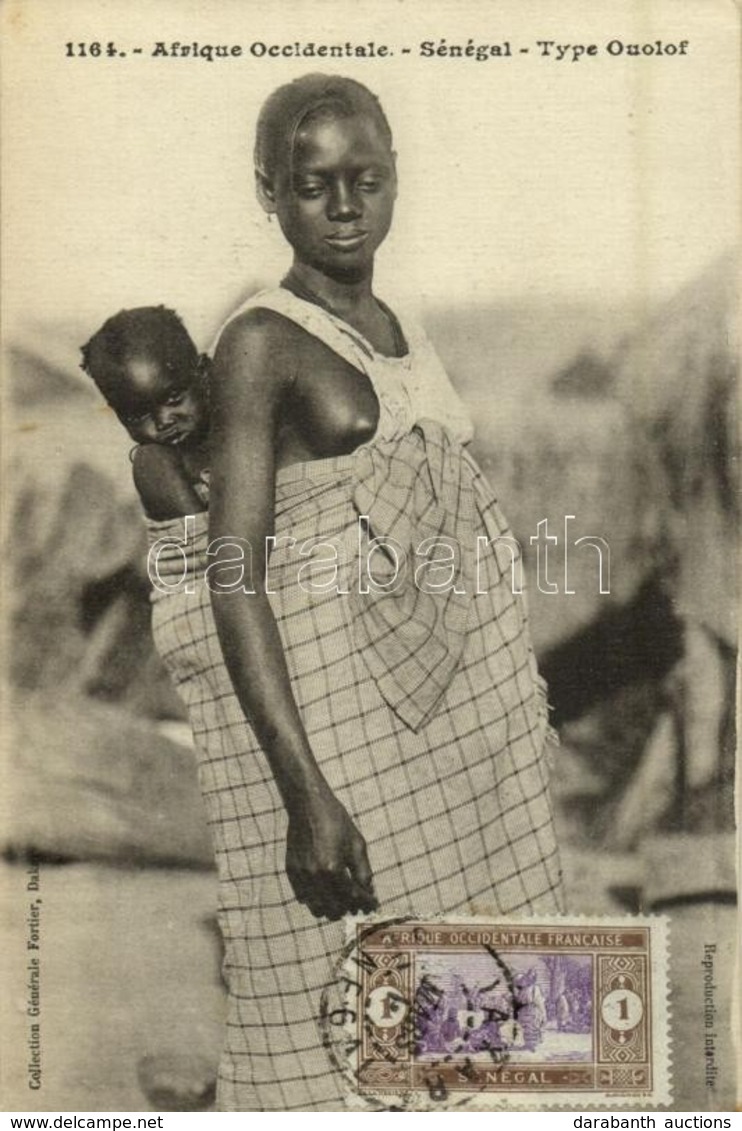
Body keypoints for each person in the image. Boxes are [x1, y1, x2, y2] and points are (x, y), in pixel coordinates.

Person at [141, 74, 564, 1111]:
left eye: (365, 180)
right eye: (313, 183)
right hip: (348, 750)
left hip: (460, 747)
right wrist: (306, 799)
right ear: (268, 192)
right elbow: (236, 574)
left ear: (394, 183)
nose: (343, 206)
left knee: (484, 1039)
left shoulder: (395, 324)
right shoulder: (260, 343)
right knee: (348, 1040)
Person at [80, 306, 211, 520]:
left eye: (173, 398)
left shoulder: (243, 424)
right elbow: (205, 546)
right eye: (138, 414)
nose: (163, 422)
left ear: (204, 373)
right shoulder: (156, 465)